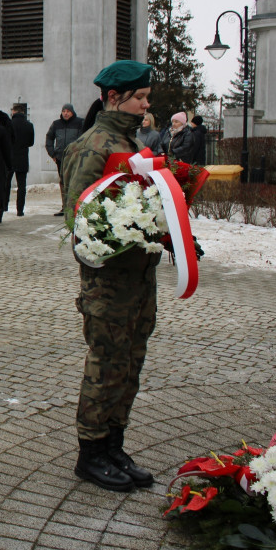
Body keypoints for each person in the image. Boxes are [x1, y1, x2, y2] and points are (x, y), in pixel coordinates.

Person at [62, 59, 158, 493]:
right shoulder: (93, 146)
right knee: (106, 365)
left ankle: (114, 443)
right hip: (108, 280)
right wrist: (121, 232)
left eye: (147, 99)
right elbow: (78, 216)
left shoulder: (132, 143)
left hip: (139, 276)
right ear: (114, 97)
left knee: (130, 363)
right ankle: (91, 452)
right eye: (139, 98)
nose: (144, 106)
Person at [45, 103, 85, 216]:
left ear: (72, 112)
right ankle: (65, 207)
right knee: (63, 182)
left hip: (75, 157)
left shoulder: (80, 123)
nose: (66, 113)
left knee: (74, 182)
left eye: (68, 111)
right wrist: (52, 153)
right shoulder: (56, 124)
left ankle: (75, 206)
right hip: (60, 158)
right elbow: (49, 137)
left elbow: (84, 138)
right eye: (64, 111)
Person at [9, 103, 35, 216]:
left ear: (14, 111)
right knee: (22, 186)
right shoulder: (29, 125)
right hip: (23, 157)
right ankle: (20, 210)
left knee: (6, 183)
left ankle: (3, 207)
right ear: (23, 112)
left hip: (9, 156)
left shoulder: (9, 124)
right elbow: (31, 142)